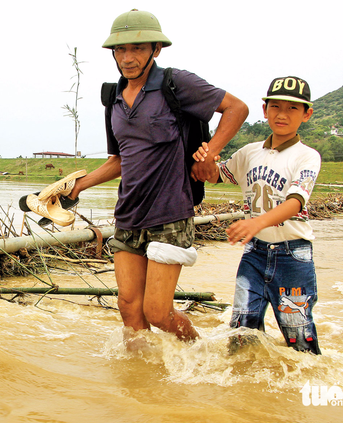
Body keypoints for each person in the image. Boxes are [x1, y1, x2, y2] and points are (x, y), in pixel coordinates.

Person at [67, 9, 248, 346]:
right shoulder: (114, 99)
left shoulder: (176, 83)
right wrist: (79, 186)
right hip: (129, 214)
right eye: (120, 50)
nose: (128, 58)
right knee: (128, 307)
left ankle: (201, 353)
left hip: (170, 212)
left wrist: (210, 152)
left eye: (137, 49)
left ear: (156, 50)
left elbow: (237, 109)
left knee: (158, 312)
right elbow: (118, 160)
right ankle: (142, 383)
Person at [193, 76, 322, 354]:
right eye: (275, 107)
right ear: (265, 110)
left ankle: (303, 389)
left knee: (298, 336)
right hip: (255, 253)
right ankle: (243, 389)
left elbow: (296, 202)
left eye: (292, 109)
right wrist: (206, 156)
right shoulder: (250, 152)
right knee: (241, 327)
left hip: (293, 256)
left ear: (306, 114)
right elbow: (217, 174)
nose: (282, 115)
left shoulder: (306, 156)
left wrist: (256, 222)